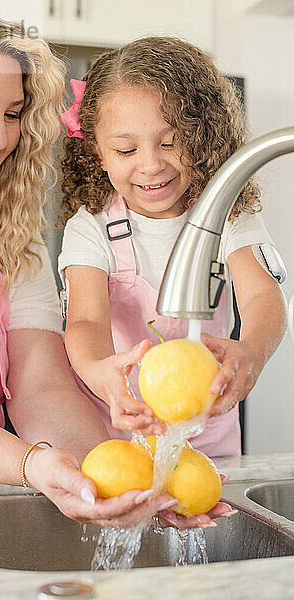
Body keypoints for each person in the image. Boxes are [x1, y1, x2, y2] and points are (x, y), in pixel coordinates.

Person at [0, 3, 215, 530]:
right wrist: (32, 465)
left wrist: (122, 485)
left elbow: (41, 384)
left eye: (12, 114)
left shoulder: (11, 245)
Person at [59, 37, 287, 458]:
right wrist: (100, 374)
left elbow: (262, 295)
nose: (150, 164)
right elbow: (87, 320)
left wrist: (251, 352)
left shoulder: (226, 212)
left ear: (202, 135)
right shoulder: (90, 228)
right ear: (97, 151)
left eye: (169, 142)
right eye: (126, 149)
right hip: (117, 432)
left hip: (209, 437)